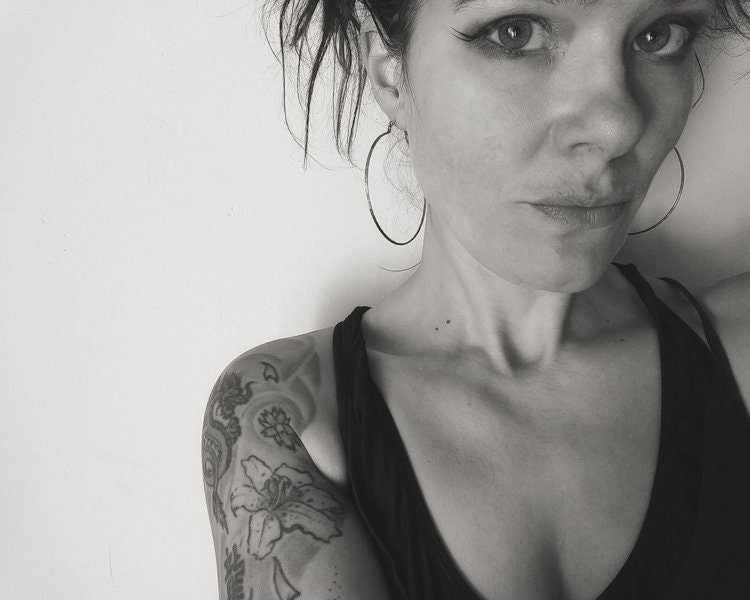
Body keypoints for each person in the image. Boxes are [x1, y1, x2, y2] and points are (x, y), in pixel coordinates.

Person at [202, 0, 750, 598]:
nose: (617, 126)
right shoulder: (287, 412)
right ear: (390, 70)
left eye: (658, 36)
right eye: (515, 34)